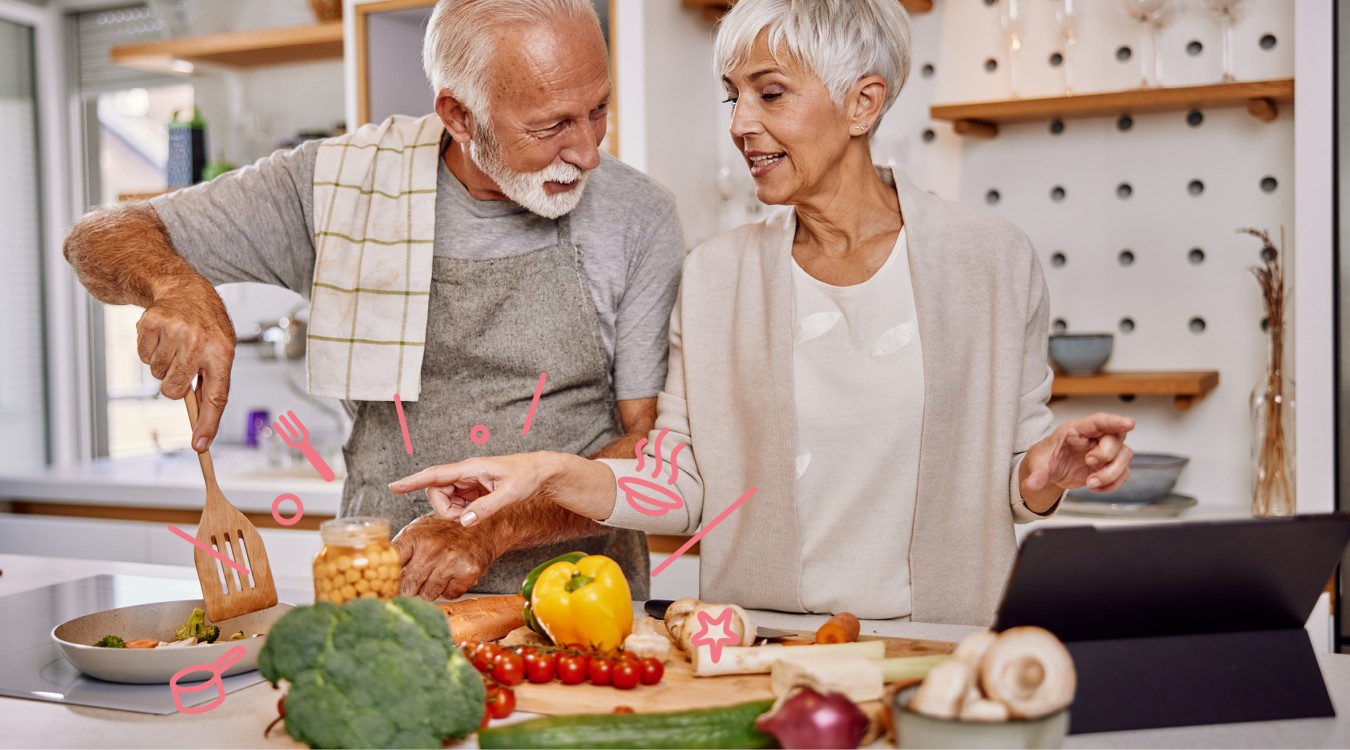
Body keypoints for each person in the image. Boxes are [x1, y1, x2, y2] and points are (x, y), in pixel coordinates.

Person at [391, 0, 1138, 626]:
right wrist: (547, 474)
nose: (740, 123)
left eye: (770, 93)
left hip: (943, 644)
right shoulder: (717, 276)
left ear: (863, 102)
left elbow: (1016, 479)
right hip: (762, 646)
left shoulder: (990, 261)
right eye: (733, 96)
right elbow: (683, 483)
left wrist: (1049, 471)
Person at [61, 0, 685, 601]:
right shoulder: (337, 189)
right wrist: (175, 285)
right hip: (384, 588)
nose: (587, 152)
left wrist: (489, 530)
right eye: (550, 126)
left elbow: (648, 447)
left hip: (582, 601)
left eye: (598, 109)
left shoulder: (639, 215)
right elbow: (96, 238)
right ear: (460, 116)